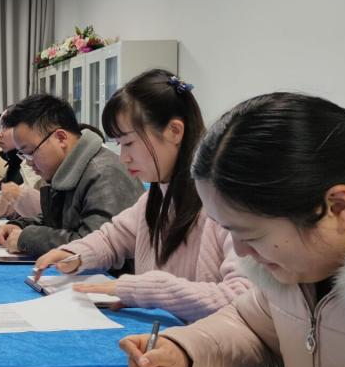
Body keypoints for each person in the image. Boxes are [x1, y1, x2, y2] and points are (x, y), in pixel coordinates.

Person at [118, 93, 345, 367]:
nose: (239, 252)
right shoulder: (295, 271)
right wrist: (185, 351)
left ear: (338, 208)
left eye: (250, 234)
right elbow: (252, 325)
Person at [33, 70, 251, 322]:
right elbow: (112, 238)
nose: (124, 158)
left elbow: (243, 299)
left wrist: (146, 290)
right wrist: (75, 254)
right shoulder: (156, 196)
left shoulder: (224, 204)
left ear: (174, 131)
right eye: (119, 144)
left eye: (129, 143)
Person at [0, 94, 142, 257]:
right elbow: (58, 222)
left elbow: (93, 247)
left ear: (61, 138)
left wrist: (27, 238)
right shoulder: (69, 170)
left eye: (30, 152)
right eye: (23, 155)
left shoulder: (104, 173)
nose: (29, 162)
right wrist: (20, 226)